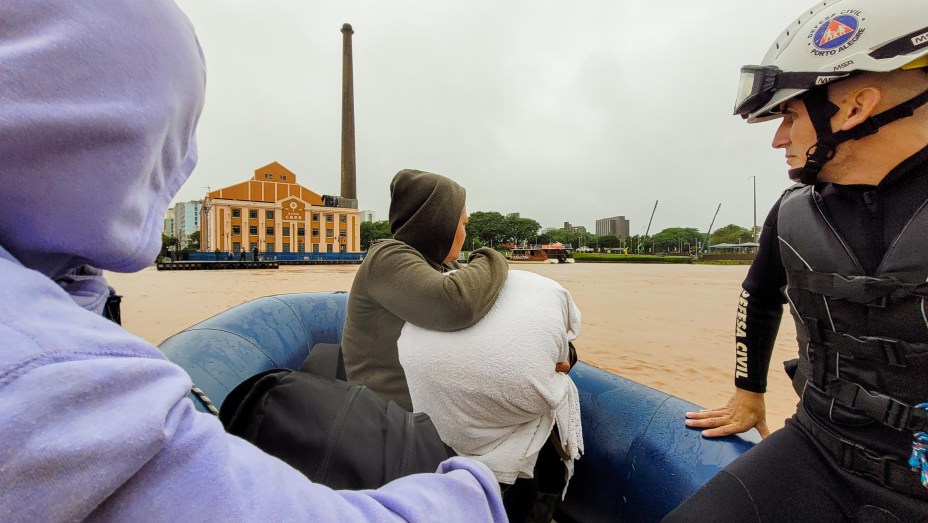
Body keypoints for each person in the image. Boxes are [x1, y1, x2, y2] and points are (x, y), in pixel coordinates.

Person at [0, 2, 506, 521]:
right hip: (405, 426)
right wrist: (478, 489)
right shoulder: (47, 371)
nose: (182, 162)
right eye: (170, 134)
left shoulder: (59, 296)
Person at [668, 0, 928, 520]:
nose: (778, 138)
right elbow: (757, 297)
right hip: (819, 449)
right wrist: (748, 394)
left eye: (788, 115)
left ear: (855, 108)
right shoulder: (794, 213)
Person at [398, 269, 583, 522]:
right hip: (515, 471)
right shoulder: (527, 325)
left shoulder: (434, 320)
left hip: (451, 440)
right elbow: (545, 387)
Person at [341, 169, 510, 411]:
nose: (465, 232)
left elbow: (496, 312)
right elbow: (455, 306)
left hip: (434, 409)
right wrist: (492, 257)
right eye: (462, 223)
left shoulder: (443, 266)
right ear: (439, 223)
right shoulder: (386, 258)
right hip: (389, 417)